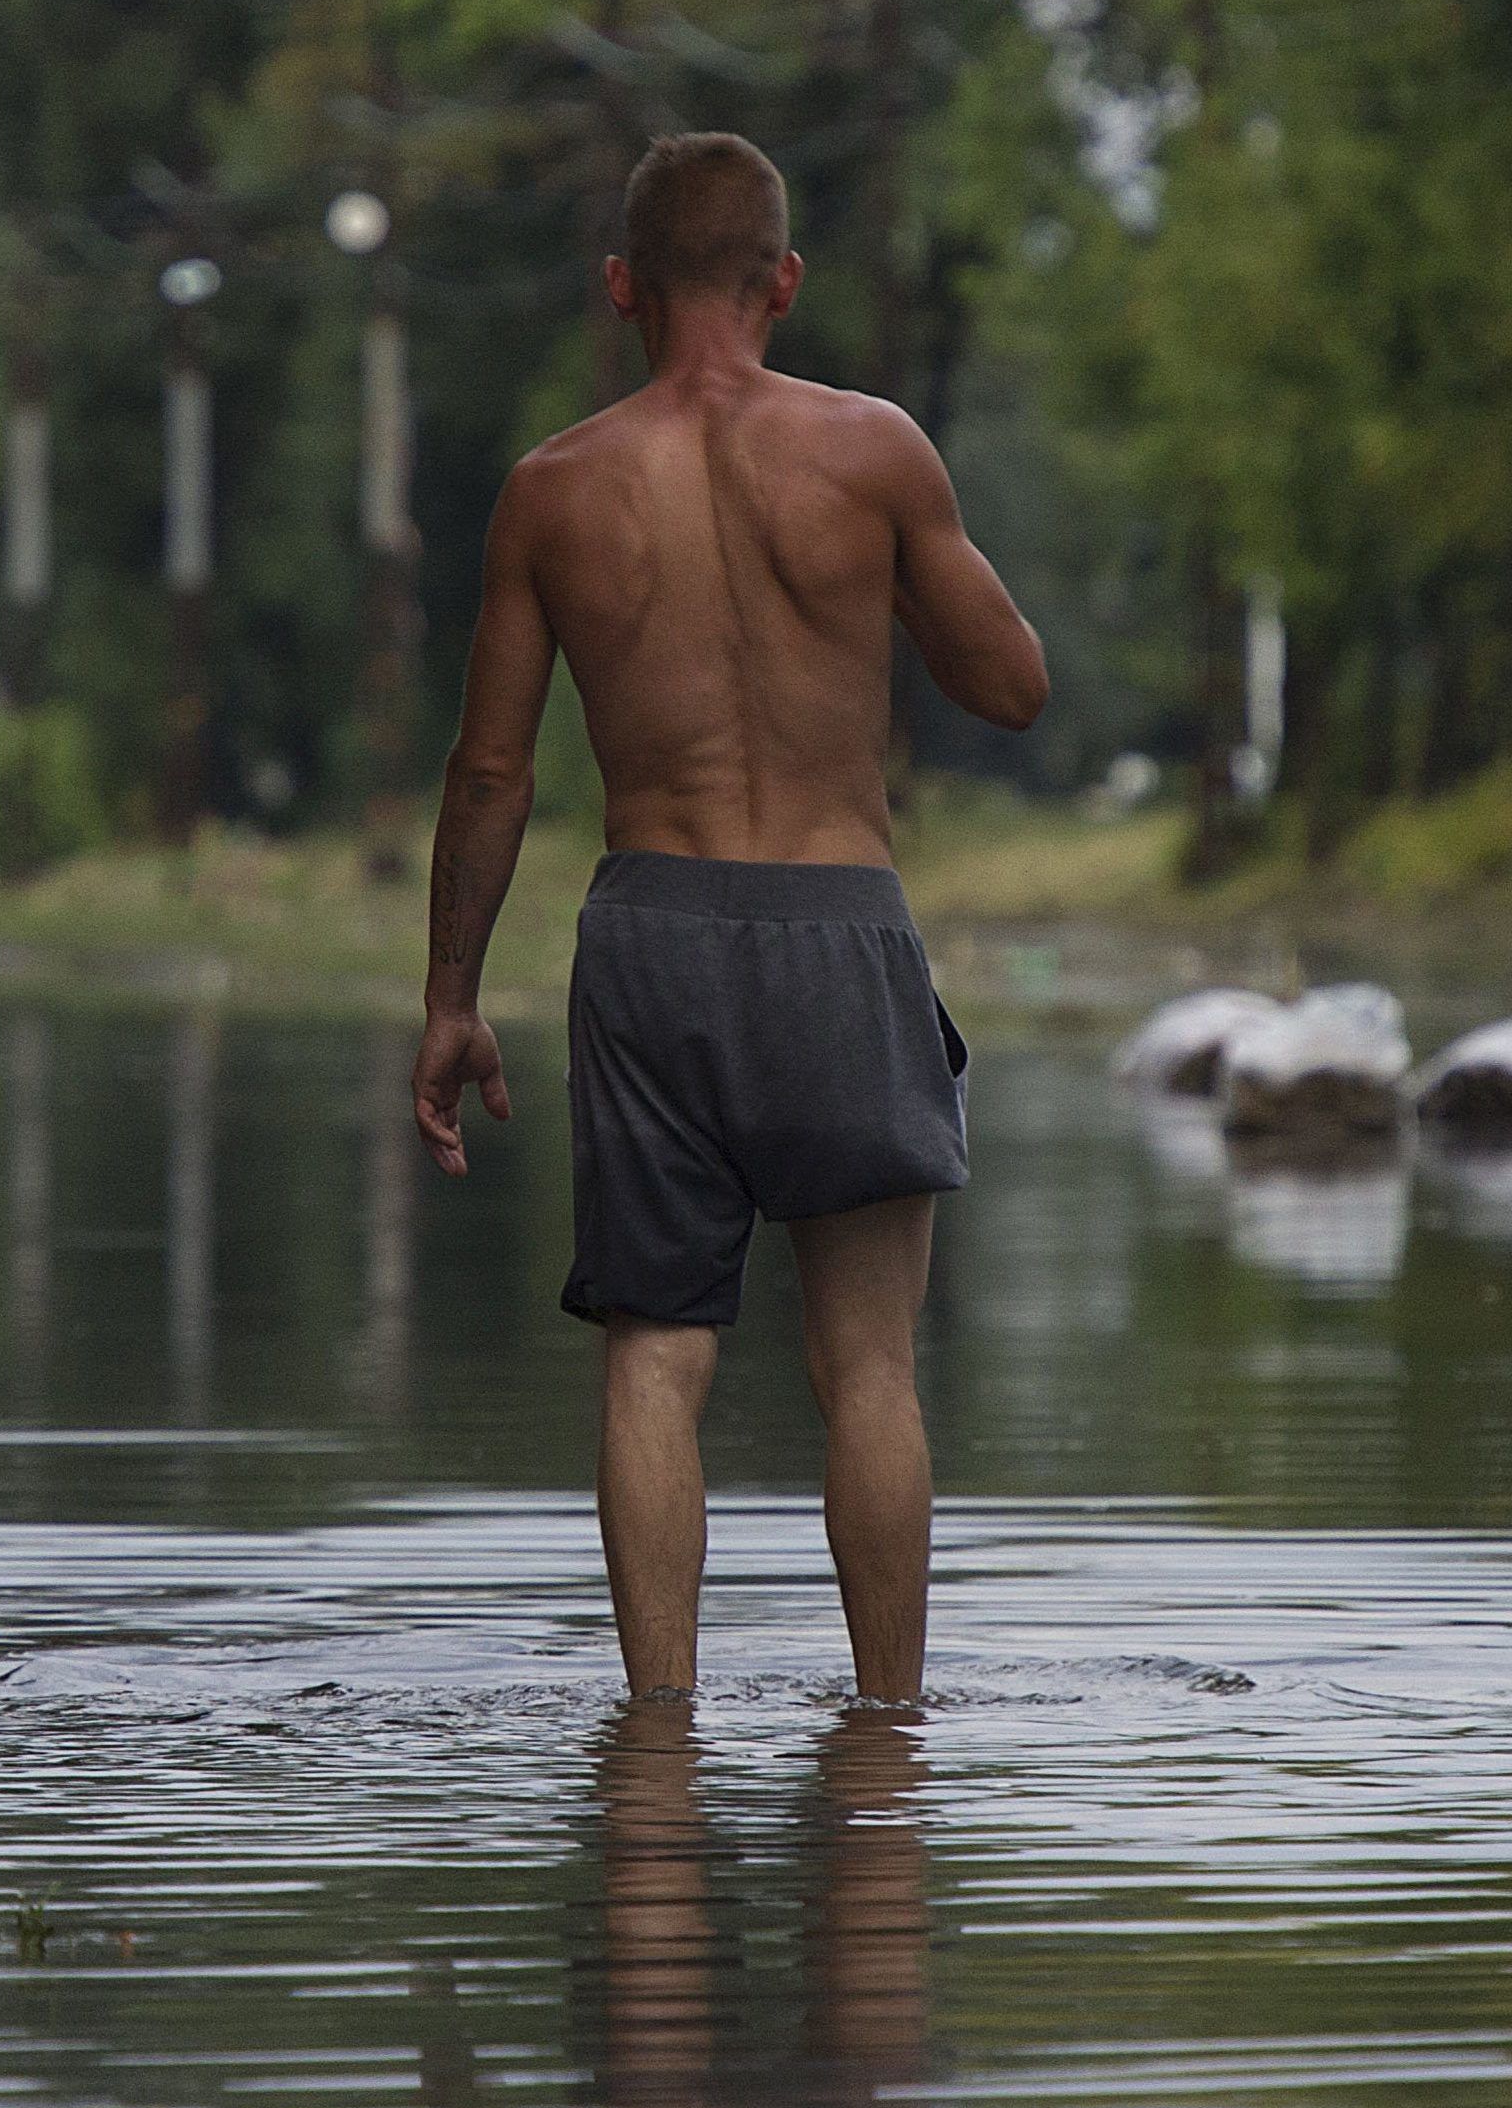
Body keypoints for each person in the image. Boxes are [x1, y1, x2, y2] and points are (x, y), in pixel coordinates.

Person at [412, 132, 1048, 1706]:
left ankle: (660, 1735)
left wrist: (449, 997)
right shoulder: (873, 451)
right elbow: (1014, 687)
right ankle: (890, 1725)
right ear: (784, 281)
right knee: (869, 1367)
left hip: (654, 932)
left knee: (654, 1354)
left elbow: (489, 765)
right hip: (841, 923)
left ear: (619, 286)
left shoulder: (552, 488)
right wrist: (879, 566)